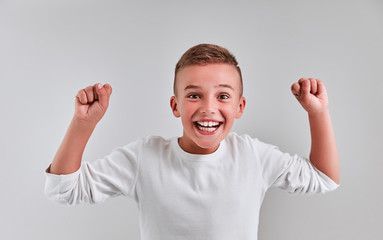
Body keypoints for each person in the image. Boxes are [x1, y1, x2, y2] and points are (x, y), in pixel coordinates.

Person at [45, 43, 340, 240]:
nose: (208, 108)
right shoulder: (144, 157)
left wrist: (318, 112)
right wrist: (84, 123)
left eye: (223, 95)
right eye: (194, 95)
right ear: (175, 106)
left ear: (240, 106)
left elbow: (323, 178)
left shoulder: (253, 157)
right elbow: (63, 189)